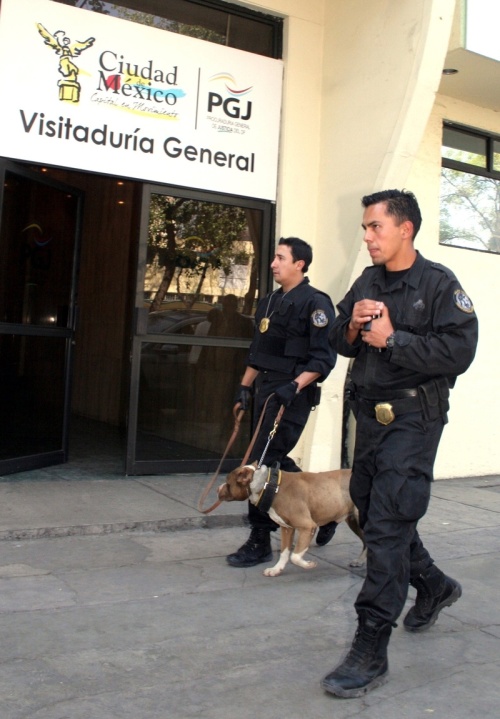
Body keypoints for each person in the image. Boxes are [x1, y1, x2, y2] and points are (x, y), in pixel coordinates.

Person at [322, 189, 478, 698]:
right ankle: (433, 584)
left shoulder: (439, 284)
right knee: (374, 515)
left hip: (413, 419)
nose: (367, 237)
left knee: (388, 523)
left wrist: (393, 340)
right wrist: (352, 325)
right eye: (365, 228)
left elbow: (460, 351)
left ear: (404, 229)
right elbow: (336, 341)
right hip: (369, 418)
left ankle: (370, 646)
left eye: (376, 227)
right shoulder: (368, 280)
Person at [226, 237, 338, 568]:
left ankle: (259, 539)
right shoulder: (269, 302)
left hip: (293, 394)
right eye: (274, 257)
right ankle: (328, 507)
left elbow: (323, 358)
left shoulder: (316, 303)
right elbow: (259, 352)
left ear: (299, 264)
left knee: (260, 463)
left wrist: (295, 385)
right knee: (274, 459)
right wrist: (244, 388)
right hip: (267, 391)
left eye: (280, 258)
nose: (273, 264)